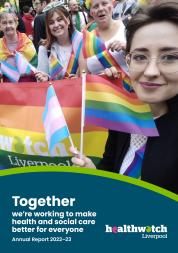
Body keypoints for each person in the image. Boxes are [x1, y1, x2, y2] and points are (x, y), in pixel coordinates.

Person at [71, 1, 178, 194]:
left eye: (170, 57)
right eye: (140, 57)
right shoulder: (122, 117)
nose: (151, 71)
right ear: (127, 60)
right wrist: (93, 173)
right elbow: (110, 171)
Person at [35, 5, 83, 82]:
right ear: (48, 27)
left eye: (59, 20)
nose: (56, 25)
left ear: (68, 20)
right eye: (51, 23)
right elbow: (41, 82)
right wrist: (46, 79)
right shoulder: (45, 48)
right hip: (57, 93)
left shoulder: (83, 40)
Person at [83, 0, 127, 79]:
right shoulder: (87, 39)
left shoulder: (127, 27)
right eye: (95, 6)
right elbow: (84, 77)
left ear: (112, 6)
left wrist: (127, 47)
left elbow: (146, 57)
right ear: (91, 12)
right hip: (99, 90)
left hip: (129, 89)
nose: (100, 9)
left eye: (104, 3)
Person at [0, 12, 37, 82]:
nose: (8, 26)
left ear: (16, 24)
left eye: (11, 22)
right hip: (8, 86)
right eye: (4, 23)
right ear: (0, 27)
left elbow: (35, 64)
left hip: (28, 83)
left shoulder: (26, 42)